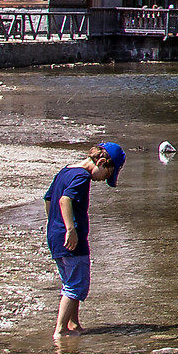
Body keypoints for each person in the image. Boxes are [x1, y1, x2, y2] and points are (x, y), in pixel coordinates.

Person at [45, 143, 125, 337]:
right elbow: (65, 200)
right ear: (102, 162)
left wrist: (55, 225)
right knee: (76, 285)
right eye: (107, 174)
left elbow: (49, 199)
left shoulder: (65, 172)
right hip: (72, 240)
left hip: (55, 237)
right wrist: (70, 229)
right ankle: (60, 331)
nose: (102, 180)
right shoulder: (82, 177)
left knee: (69, 281)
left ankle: (74, 324)